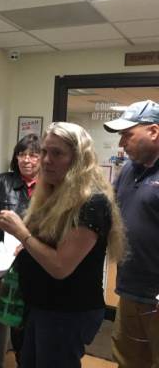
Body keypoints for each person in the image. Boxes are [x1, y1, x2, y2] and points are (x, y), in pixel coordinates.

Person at [0, 122, 124, 368]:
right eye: (44, 151)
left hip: (67, 311)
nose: (45, 160)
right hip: (42, 306)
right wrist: (28, 250)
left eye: (57, 153)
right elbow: (48, 245)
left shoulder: (92, 202)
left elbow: (60, 266)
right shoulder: (54, 193)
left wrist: (22, 234)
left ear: (78, 160)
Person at [0, 134, 41, 366]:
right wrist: (0, 222)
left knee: (34, 314)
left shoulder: (52, 185)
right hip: (6, 257)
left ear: (43, 158)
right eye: (21, 154)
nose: (27, 160)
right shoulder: (1, 181)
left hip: (39, 257)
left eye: (33, 155)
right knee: (11, 311)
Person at [103, 100, 159, 368]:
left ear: (154, 132)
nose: (121, 144)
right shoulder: (127, 171)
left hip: (157, 297)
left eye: (127, 135)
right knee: (127, 361)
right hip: (129, 290)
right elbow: (109, 211)